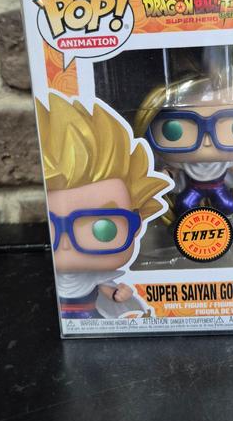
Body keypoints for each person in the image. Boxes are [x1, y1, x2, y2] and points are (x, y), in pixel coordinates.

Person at [36, 93, 171, 319]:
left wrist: (119, 293)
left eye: (104, 229)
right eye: (52, 227)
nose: (66, 245)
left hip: (92, 317)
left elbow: (107, 288)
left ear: (136, 225)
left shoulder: (95, 275)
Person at [134, 76, 233, 219]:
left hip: (218, 187)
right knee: (184, 206)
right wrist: (165, 175)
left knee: (228, 206)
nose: (207, 142)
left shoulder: (225, 162)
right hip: (194, 188)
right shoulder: (184, 163)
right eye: (173, 130)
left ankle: (226, 224)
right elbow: (173, 171)